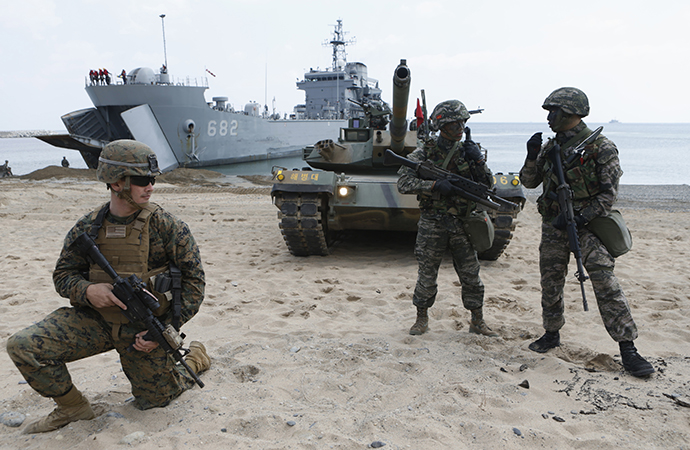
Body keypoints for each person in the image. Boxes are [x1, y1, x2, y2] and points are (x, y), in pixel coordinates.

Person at [6, 140, 211, 434]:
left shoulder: (167, 227)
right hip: (97, 321)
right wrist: (88, 291)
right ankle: (72, 407)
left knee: (154, 402)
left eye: (153, 179)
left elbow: (194, 284)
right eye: (142, 180)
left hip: (142, 331)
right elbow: (63, 275)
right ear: (116, 182)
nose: (150, 186)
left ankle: (195, 356)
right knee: (23, 346)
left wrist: (163, 330)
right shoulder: (88, 227)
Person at [519, 87, 654, 378]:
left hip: (587, 226)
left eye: (553, 112)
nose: (549, 118)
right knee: (551, 280)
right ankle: (551, 333)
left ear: (570, 113)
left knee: (604, 281)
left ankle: (628, 348)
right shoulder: (550, 147)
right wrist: (531, 156)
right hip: (554, 224)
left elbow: (608, 196)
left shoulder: (600, 147)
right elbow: (529, 183)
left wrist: (581, 216)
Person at [397, 100, 497, 337]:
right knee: (427, 274)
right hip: (434, 221)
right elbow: (403, 183)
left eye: (463, 122)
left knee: (471, 275)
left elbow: (488, 186)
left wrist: (479, 161)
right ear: (442, 125)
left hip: (463, 222)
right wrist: (434, 185)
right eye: (454, 123)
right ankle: (421, 319)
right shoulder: (425, 152)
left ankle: (477, 320)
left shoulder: (469, 151)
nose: (460, 127)